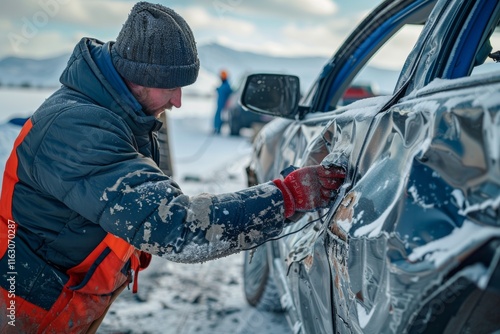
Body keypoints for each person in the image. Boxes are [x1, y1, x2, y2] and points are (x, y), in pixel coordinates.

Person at [0, 2, 346, 332]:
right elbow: (177, 227)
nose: (178, 101)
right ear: (137, 76)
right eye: (170, 87)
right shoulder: (77, 130)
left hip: (58, 296)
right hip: (20, 304)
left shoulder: (115, 113)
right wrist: (285, 197)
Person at [213, 69, 232, 134]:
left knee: (220, 116)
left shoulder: (226, 86)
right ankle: (217, 128)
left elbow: (228, 92)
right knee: (218, 116)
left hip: (223, 104)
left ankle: (217, 128)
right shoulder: (224, 85)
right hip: (221, 104)